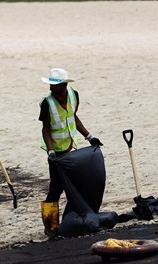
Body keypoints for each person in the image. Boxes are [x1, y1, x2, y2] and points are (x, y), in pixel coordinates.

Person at [39, 68, 102, 238]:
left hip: (71, 149)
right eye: (51, 84)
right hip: (56, 154)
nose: (51, 87)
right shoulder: (47, 103)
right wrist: (51, 151)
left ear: (64, 85)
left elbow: (73, 117)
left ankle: (71, 220)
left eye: (55, 84)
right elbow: (45, 129)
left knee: (75, 186)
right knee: (56, 188)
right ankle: (50, 226)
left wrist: (89, 137)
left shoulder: (74, 95)